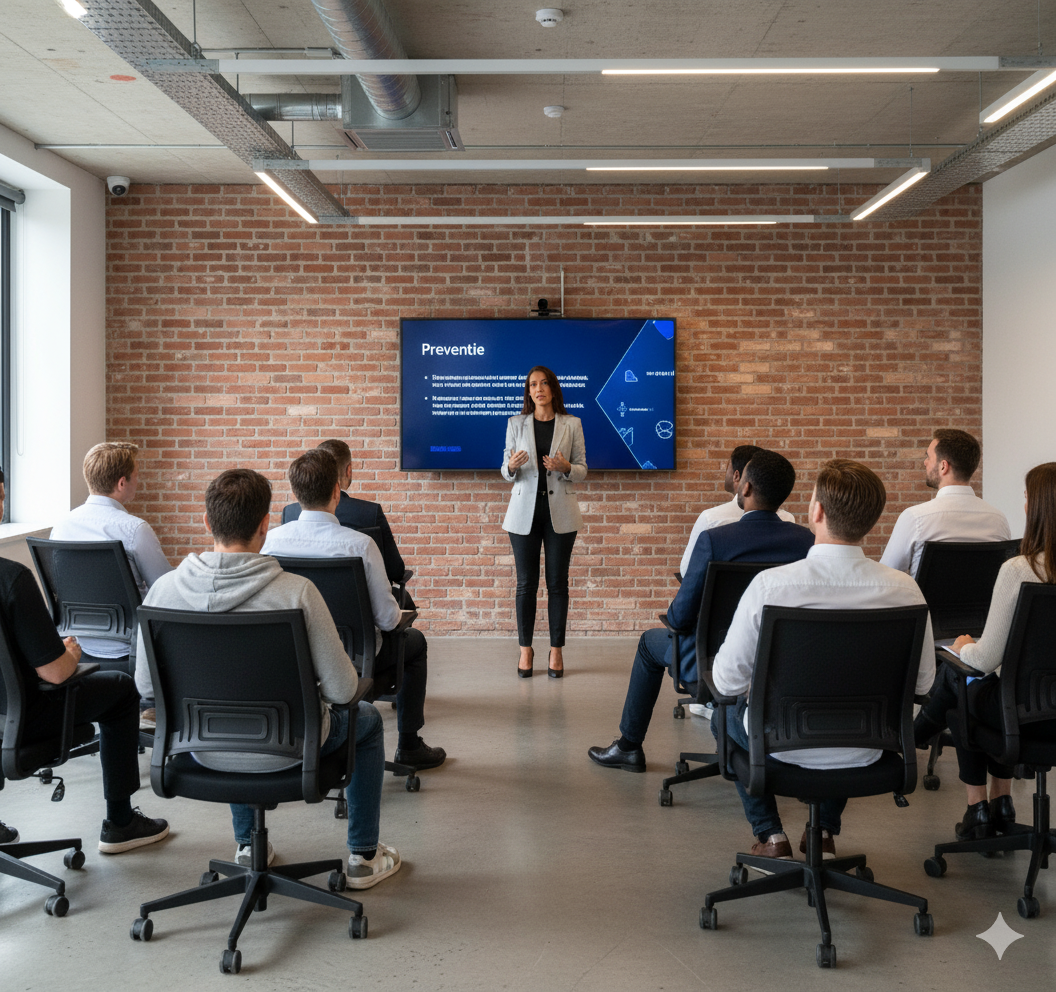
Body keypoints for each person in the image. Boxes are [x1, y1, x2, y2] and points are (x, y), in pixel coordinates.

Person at [134, 468, 400, 886]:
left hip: (201, 751)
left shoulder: (163, 591)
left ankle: (246, 846)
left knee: (231, 712)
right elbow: (344, 690)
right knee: (365, 719)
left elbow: (146, 689)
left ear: (207, 522)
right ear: (264, 526)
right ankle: (364, 856)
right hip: (292, 747)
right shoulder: (296, 592)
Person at [711, 459, 935, 861]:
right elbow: (923, 686)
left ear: (816, 512)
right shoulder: (906, 591)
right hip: (866, 750)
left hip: (779, 747)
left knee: (722, 715)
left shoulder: (771, 586)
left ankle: (771, 835)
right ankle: (825, 831)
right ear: (871, 519)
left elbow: (727, 683)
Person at [587, 450, 815, 771]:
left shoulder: (715, 539)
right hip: (781, 661)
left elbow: (680, 618)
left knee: (648, 643)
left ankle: (628, 747)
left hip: (710, 662)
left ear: (745, 488)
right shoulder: (806, 542)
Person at [0, 468, 169, 854]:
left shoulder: (61, 529)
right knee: (123, 690)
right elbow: (56, 672)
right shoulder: (10, 579)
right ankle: (121, 822)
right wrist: (71, 653)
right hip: (23, 715)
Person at [262, 449, 444, 772]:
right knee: (415, 643)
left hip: (294, 657)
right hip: (356, 659)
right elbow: (388, 620)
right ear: (337, 491)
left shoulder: (271, 542)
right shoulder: (359, 545)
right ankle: (409, 744)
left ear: (294, 493)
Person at [929, 462, 1056, 842]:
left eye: (1027, 498)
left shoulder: (1020, 570)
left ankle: (978, 810)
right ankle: (1000, 803)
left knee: (961, 681)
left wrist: (966, 646)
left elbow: (985, 660)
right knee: (976, 688)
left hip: (1024, 716)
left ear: (1039, 508)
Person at [50, 441, 173, 729]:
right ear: (121, 483)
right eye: (136, 475)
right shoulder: (133, 528)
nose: (138, 481)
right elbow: (163, 588)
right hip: (130, 645)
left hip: (76, 641)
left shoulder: (61, 527)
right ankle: (157, 707)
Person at [501, 366, 587, 678]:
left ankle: (556, 650)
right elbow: (504, 469)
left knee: (557, 584)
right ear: (528, 392)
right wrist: (510, 466)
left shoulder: (572, 423)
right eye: (533, 384)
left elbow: (582, 468)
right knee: (526, 584)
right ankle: (525, 650)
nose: (539, 389)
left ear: (553, 389)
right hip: (523, 512)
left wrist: (566, 467)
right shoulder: (515, 423)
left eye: (544, 383)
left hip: (560, 513)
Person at [283, 439, 410, 601]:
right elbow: (395, 571)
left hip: (303, 619)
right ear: (348, 470)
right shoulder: (370, 515)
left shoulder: (288, 515)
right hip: (358, 617)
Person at [879, 428, 1010, 578]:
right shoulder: (999, 520)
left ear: (943, 466)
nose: (925, 463)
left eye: (928, 457)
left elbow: (886, 577)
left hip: (926, 602)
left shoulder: (915, 518)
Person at [679, 445, 795, 579]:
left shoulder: (710, 519)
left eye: (728, 466)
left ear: (739, 477)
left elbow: (687, 572)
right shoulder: (790, 522)